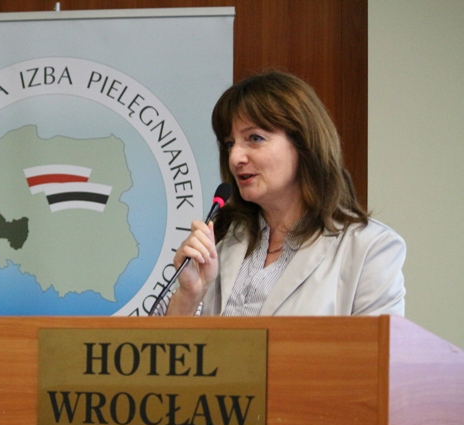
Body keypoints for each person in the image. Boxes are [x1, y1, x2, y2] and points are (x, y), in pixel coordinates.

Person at [161, 71, 405, 317]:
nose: (235, 158)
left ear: (304, 143)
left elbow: (380, 342)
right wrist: (190, 295)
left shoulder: (370, 249)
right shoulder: (221, 241)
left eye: (255, 138)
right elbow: (164, 342)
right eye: (229, 144)